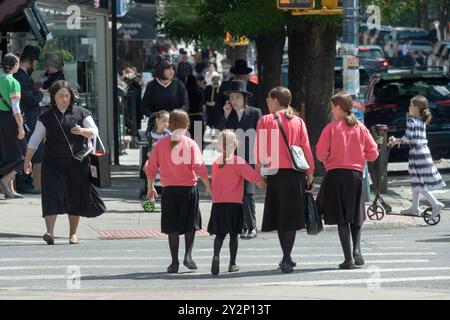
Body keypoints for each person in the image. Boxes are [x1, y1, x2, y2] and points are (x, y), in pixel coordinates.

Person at [23, 80, 106, 245]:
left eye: (67, 95)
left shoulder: (81, 113)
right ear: (53, 97)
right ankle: (49, 232)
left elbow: (94, 132)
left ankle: (73, 234)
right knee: (50, 196)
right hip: (52, 164)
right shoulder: (45, 117)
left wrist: (83, 131)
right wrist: (27, 160)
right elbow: (34, 139)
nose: (64, 98)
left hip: (77, 163)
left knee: (75, 197)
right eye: (61, 95)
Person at [254, 86, 315, 273]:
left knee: (281, 217)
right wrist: (310, 174)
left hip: (275, 173)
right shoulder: (298, 121)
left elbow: (260, 151)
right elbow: (305, 148)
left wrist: (260, 176)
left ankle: (286, 258)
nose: (266, 102)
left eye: (268, 99)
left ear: (276, 101)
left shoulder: (265, 120)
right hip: (296, 173)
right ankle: (287, 257)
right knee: (290, 217)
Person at [316, 92, 379, 270]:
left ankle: (347, 259)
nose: (331, 111)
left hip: (335, 175)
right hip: (355, 175)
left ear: (337, 108)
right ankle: (357, 250)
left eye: (331, 107)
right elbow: (374, 153)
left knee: (341, 218)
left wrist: (328, 160)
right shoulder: (360, 127)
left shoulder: (330, 128)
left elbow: (320, 153)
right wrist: (361, 157)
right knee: (356, 215)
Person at [146, 109, 212, 273]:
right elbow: (199, 167)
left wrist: (150, 187)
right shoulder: (190, 143)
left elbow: (151, 167)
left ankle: (174, 262)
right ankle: (188, 256)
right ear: (187, 125)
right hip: (188, 189)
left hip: (169, 191)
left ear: (171, 124)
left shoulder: (160, 144)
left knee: (172, 227)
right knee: (191, 225)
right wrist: (208, 186)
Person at [208, 130, 265, 276]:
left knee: (219, 235)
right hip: (234, 203)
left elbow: (214, 183)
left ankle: (216, 255)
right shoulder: (238, 161)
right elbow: (253, 177)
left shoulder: (216, 163)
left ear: (220, 145)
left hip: (218, 203)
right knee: (234, 235)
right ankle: (232, 263)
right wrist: (263, 180)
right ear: (235, 144)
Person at [217, 80, 262, 239]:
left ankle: (252, 227)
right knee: (237, 194)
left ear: (244, 98)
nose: (234, 101)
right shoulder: (229, 114)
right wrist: (226, 115)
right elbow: (221, 132)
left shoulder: (255, 113)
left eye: (237, 97)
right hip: (233, 160)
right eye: (232, 98)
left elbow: (261, 136)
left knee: (248, 193)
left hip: (250, 158)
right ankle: (242, 226)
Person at [389, 95, 446, 219]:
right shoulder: (422, 120)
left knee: (418, 182)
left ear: (415, 107)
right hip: (424, 152)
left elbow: (408, 138)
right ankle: (414, 207)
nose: (408, 107)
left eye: (410, 105)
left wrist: (395, 140)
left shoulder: (411, 120)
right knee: (416, 180)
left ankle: (436, 204)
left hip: (417, 154)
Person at [13, 45, 44, 195]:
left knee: (29, 151)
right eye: (35, 63)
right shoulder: (21, 77)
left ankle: (26, 181)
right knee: (27, 151)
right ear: (29, 62)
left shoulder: (23, 76)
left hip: (28, 119)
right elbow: (31, 99)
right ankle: (24, 183)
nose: (36, 66)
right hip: (27, 120)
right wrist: (40, 93)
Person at [0, 53, 26, 199]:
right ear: (15, 65)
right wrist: (21, 127)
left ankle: (9, 190)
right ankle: (4, 180)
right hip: (11, 120)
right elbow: (16, 109)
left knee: (8, 154)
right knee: (24, 154)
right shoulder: (13, 82)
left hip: (0, 119)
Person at [139, 59, 189, 129]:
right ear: (161, 70)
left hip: (174, 124)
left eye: (172, 69)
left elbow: (185, 104)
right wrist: (155, 116)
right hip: (157, 126)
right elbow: (144, 107)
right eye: (168, 69)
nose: (171, 71)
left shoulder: (179, 84)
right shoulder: (151, 85)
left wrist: (176, 116)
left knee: (196, 133)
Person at [139, 110, 170, 198]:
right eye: (164, 121)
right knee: (147, 168)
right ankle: (150, 190)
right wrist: (149, 152)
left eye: (168, 121)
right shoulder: (151, 133)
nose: (166, 123)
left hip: (163, 158)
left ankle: (161, 189)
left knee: (162, 173)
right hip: (153, 158)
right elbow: (150, 145)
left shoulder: (168, 134)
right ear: (157, 120)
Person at [185, 74, 205, 145]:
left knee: (187, 141)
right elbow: (203, 107)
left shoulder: (185, 92)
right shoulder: (199, 91)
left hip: (187, 118)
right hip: (198, 117)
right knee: (198, 140)